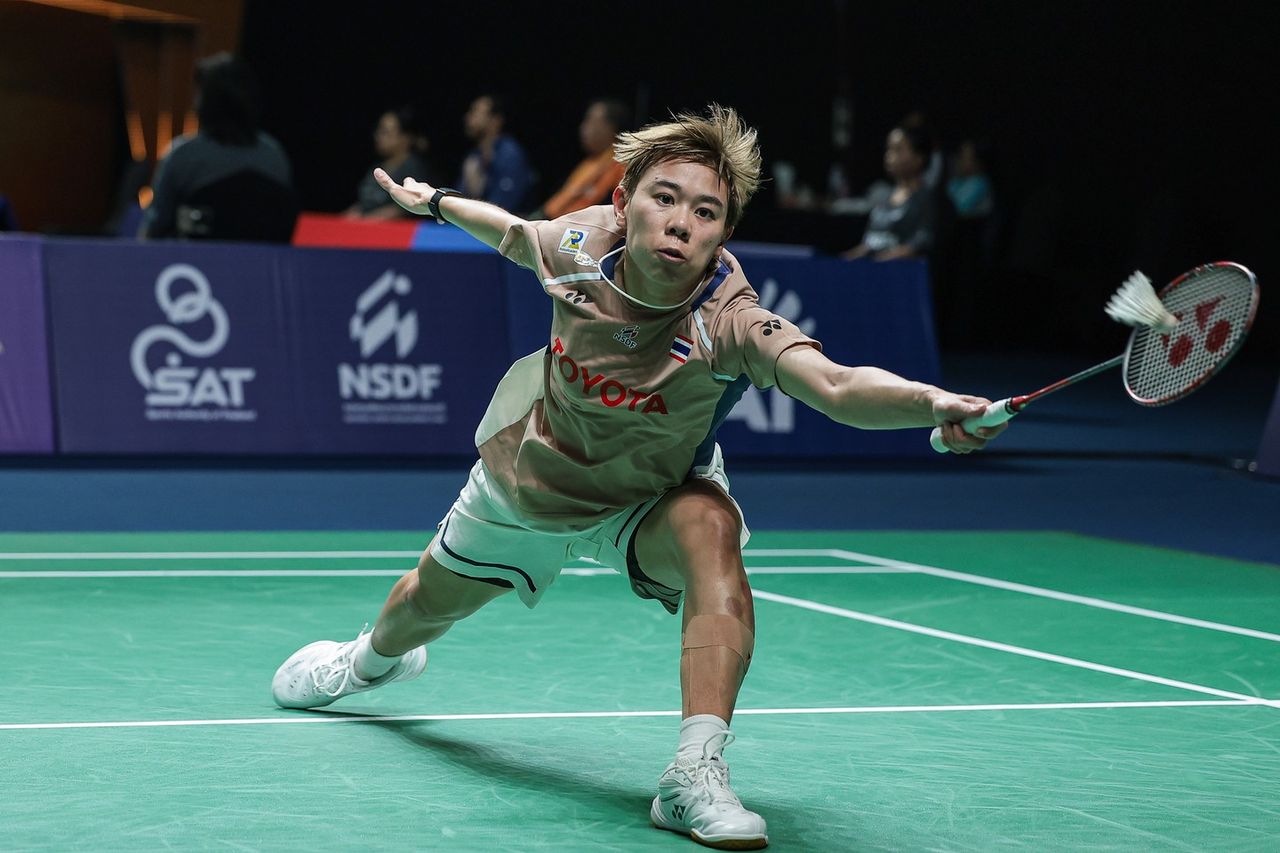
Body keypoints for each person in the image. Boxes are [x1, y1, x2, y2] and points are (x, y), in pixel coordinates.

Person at [272, 104, 1003, 851]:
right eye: (665, 198)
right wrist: (434, 202)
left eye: (706, 212)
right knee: (419, 607)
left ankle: (694, 772)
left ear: (724, 232)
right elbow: (514, 233)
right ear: (625, 202)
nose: (682, 222)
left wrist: (933, 404)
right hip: (532, 481)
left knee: (712, 526)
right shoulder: (581, 243)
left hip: (648, 499)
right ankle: (363, 665)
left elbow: (837, 385)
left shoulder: (729, 317)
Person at [140, 53, 296, 242]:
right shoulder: (275, 156)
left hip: (196, 259)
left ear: (205, 103)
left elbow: (153, 232)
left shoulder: (182, 155)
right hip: (262, 260)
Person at [841, 124, 938, 262]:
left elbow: (921, 244)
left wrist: (882, 261)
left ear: (919, 158)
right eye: (888, 149)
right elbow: (870, 244)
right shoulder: (883, 197)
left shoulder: (929, 200)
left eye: (897, 149)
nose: (889, 155)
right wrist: (843, 261)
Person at [531, 98, 629, 219]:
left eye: (592, 122)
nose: (583, 128)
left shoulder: (620, 166)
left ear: (611, 128)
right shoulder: (589, 163)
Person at [346, 106, 439, 220]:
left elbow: (408, 207)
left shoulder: (415, 169)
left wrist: (368, 221)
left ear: (405, 138)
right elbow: (365, 204)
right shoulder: (377, 167)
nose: (377, 136)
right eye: (379, 131)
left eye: (385, 132)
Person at [457, 94, 534, 212]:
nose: (468, 118)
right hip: (477, 220)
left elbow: (503, 207)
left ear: (496, 121)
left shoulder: (510, 154)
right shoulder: (473, 157)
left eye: (475, 112)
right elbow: (457, 201)